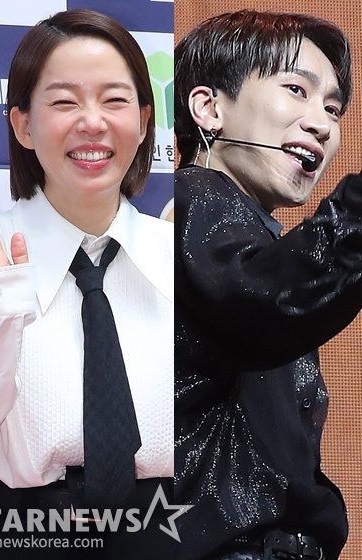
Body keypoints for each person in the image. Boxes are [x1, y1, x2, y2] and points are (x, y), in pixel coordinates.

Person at [174, 10, 362, 560]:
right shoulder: (193, 199)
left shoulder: (253, 234)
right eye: (296, 90)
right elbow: (265, 301)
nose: (322, 124)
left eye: (333, 108)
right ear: (209, 108)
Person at [0, 9, 174, 560]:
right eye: (65, 102)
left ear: (144, 121)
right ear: (23, 125)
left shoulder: (184, 259)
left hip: (170, 529)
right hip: (19, 531)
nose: (92, 122)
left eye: (114, 100)